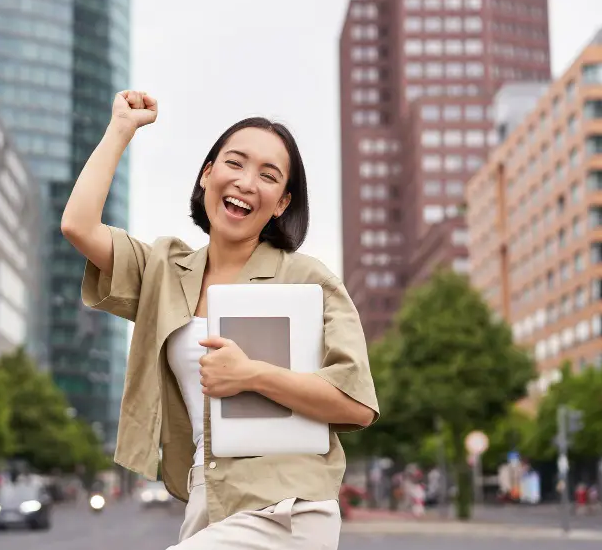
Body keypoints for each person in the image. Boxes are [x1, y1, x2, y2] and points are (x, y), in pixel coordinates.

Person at [61, 91, 379, 549]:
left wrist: (252, 375)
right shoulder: (164, 271)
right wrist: (121, 128)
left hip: (286, 507)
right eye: (235, 163)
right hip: (205, 500)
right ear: (207, 174)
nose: (247, 182)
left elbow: (356, 404)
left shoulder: (307, 279)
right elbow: (78, 226)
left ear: (282, 203)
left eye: (268, 176)